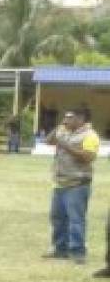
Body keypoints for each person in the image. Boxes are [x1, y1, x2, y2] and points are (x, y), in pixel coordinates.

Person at [42, 109, 99, 265]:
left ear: (80, 119)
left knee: (76, 220)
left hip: (77, 184)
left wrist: (65, 146)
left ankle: (78, 252)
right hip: (60, 183)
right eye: (65, 118)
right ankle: (60, 249)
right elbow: (48, 141)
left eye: (69, 118)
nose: (66, 120)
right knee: (58, 218)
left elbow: (88, 157)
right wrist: (58, 128)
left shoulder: (90, 135)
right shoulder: (64, 132)